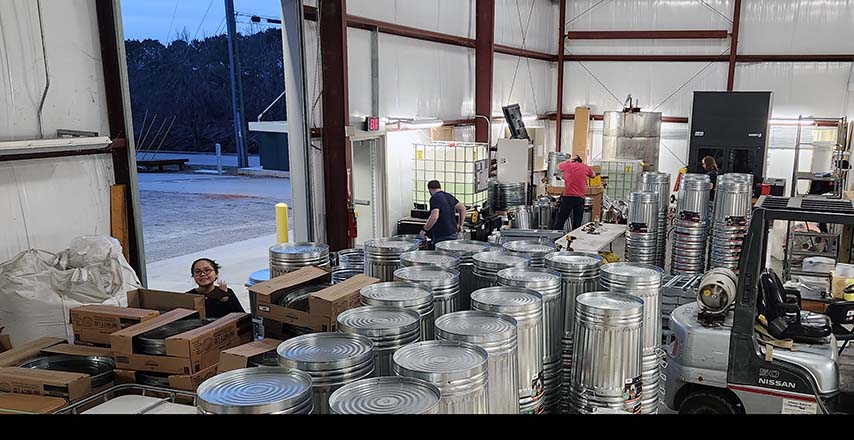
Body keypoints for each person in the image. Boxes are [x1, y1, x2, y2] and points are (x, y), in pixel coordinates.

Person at [552, 155, 596, 232]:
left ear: (573, 160)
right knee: (577, 222)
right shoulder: (585, 167)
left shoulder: (567, 165)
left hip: (568, 197)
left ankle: (556, 238)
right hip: (580, 198)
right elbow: (593, 175)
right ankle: (575, 239)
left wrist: (568, 160)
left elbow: (558, 166)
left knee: (561, 220)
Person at [420, 180, 467, 247]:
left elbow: (434, 217)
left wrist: (424, 229)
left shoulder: (434, 198)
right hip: (453, 232)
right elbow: (462, 208)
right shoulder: (449, 196)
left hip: (441, 235)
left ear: (429, 189)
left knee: (440, 256)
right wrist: (460, 225)